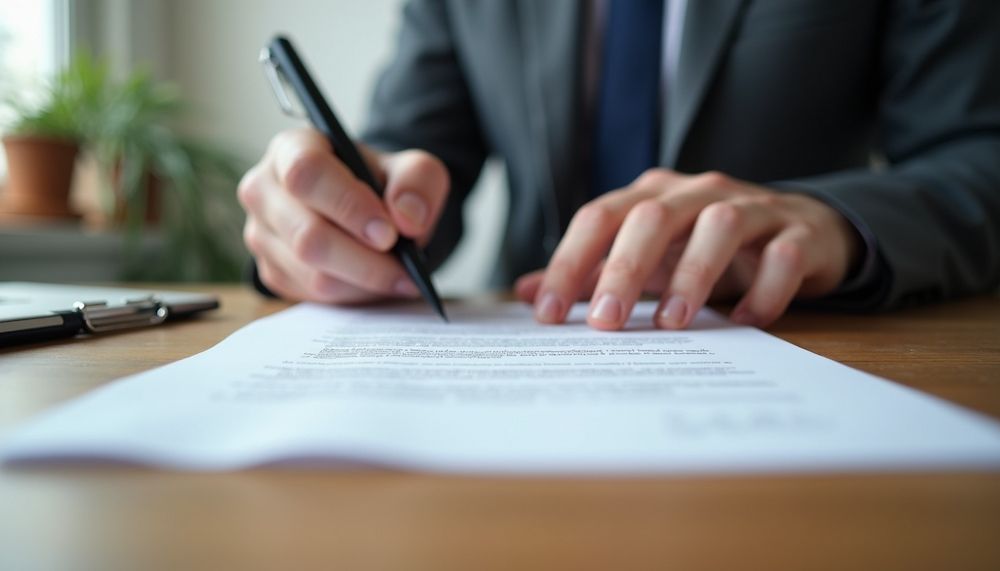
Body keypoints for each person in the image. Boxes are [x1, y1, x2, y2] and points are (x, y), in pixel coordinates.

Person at [238, 0, 1000, 331]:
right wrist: (331, 221)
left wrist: (840, 225)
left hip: (793, 342)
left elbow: (978, 152)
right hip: (526, 364)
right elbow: (410, 160)